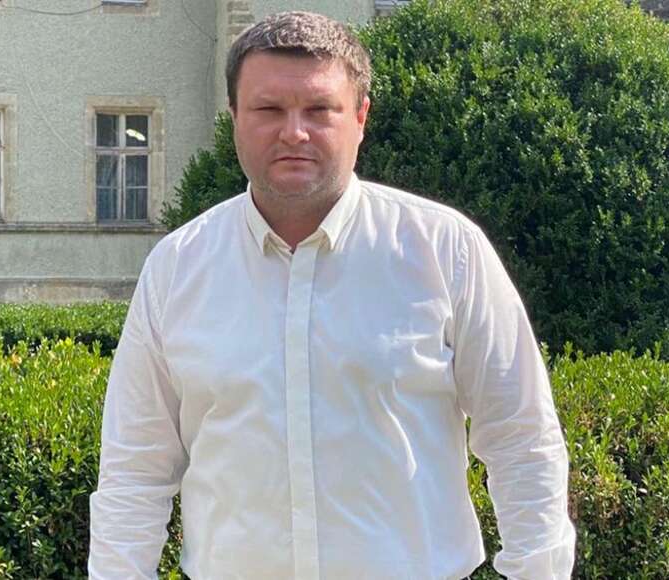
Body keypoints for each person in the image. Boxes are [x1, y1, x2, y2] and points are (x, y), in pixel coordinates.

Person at [89, 11, 575, 580]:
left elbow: (522, 437)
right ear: (235, 118)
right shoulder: (177, 268)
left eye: (319, 110)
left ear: (360, 117)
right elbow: (135, 470)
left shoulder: (445, 251)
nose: (294, 132)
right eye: (269, 110)